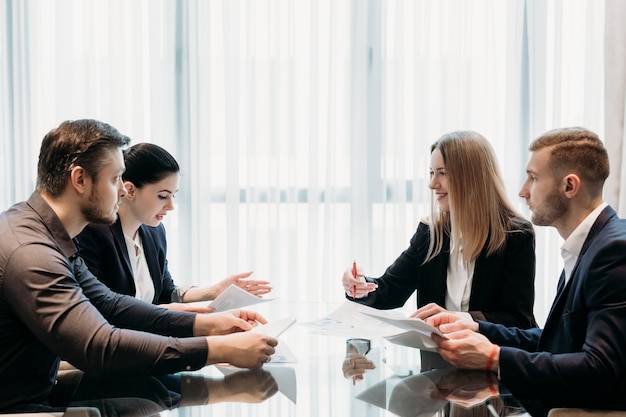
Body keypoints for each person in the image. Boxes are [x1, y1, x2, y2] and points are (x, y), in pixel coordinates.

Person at [0, 119, 278, 412]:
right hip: (21, 406)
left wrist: (205, 324)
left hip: (39, 391)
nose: (122, 191)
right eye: (115, 178)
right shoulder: (32, 252)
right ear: (80, 179)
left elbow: (110, 304)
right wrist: (216, 349)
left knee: (152, 394)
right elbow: (99, 347)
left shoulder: (44, 231)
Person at [426, 127, 626, 415]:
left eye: (533, 178)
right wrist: (478, 327)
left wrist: (494, 358)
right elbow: (560, 343)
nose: (522, 191)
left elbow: (600, 370)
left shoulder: (613, 251)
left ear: (569, 186)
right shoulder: (591, 244)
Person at [342, 131, 537, 329]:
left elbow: (517, 319)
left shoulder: (515, 235)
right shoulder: (429, 232)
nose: (432, 184)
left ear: (471, 177)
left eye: (442, 173)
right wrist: (360, 286)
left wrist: (461, 319)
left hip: (490, 356)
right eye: (431, 172)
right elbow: (390, 291)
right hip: (438, 355)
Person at [76, 143, 272, 313]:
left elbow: (166, 292)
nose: (170, 206)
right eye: (163, 196)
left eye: (173, 195)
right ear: (130, 190)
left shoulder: (154, 232)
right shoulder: (91, 233)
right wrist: (163, 313)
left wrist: (213, 291)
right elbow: (96, 310)